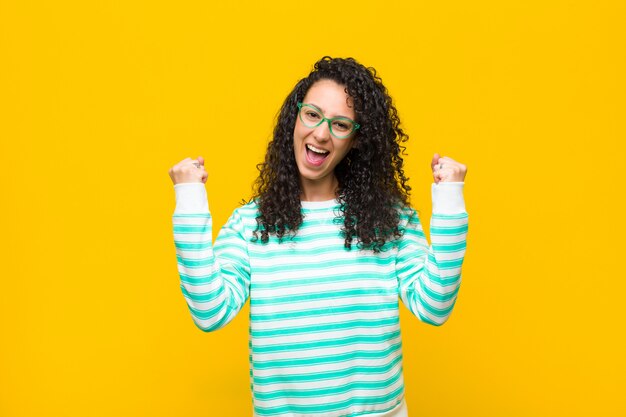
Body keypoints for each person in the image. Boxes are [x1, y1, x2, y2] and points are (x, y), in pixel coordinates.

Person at [168, 56, 468, 417]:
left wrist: (450, 200)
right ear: (294, 118)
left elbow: (434, 306)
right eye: (312, 114)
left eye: (340, 124)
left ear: (356, 140)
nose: (322, 133)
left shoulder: (388, 221)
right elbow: (209, 311)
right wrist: (189, 200)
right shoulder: (251, 225)